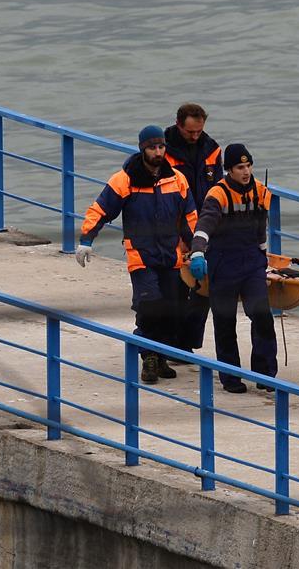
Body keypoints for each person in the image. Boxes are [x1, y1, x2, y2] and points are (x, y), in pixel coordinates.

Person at [75, 125, 198, 384]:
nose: (157, 152)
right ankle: (149, 358)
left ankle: (161, 354)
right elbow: (100, 209)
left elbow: (190, 218)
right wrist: (87, 239)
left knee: (172, 309)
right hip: (141, 255)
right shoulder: (125, 179)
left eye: (161, 147)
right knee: (149, 304)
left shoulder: (177, 179)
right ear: (143, 148)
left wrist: (197, 249)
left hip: (171, 255)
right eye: (152, 147)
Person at [188, 143, 278, 394]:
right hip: (223, 263)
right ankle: (231, 377)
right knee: (225, 321)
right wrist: (197, 252)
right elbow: (204, 225)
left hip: (251, 263)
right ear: (229, 170)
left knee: (262, 316)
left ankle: (266, 374)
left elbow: (261, 227)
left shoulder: (261, 191)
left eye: (249, 166)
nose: (246, 171)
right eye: (240, 167)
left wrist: (264, 258)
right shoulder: (217, 194)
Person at [164, 103, 223, 362]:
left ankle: (187, 344)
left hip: (205, 226)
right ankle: (172, 344)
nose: (195, 136)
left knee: (203, 288)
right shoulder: (163, 151)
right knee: (175, 288)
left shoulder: (212, 150)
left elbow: (219, 189)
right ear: (179, 125)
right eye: (190, 132)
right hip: (174, 227)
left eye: (199, 131)